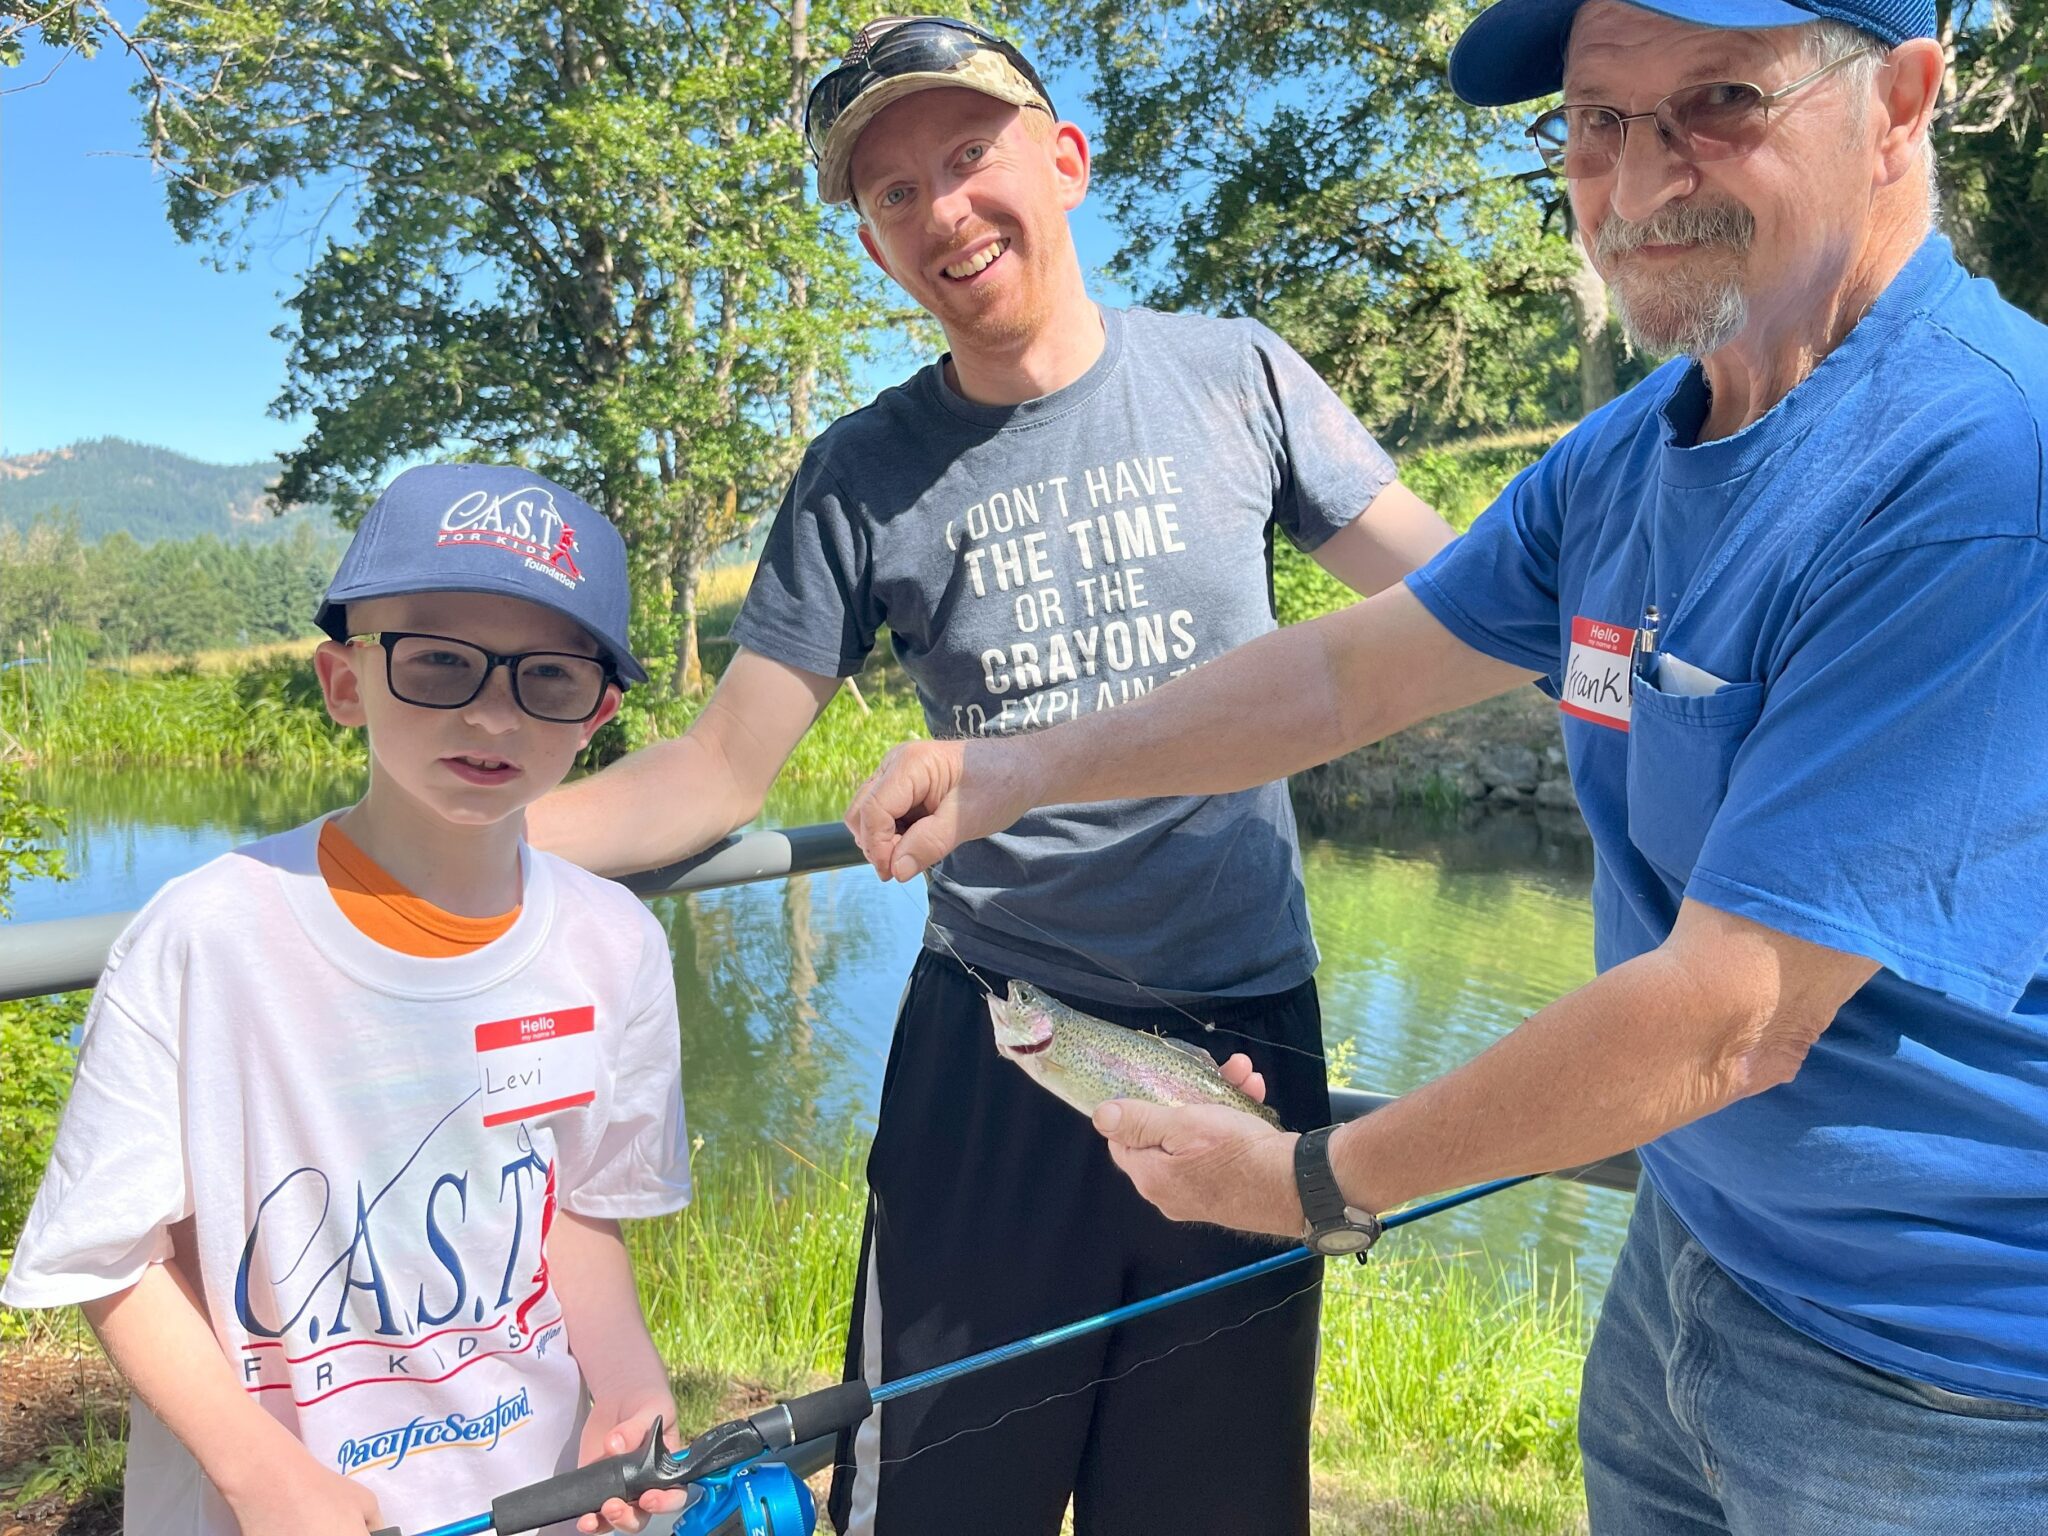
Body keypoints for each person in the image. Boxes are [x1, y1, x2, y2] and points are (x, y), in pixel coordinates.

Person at [846, 0, 2048, 1529]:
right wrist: (1021, 769)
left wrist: (1308, 1184)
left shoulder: (1981, 471)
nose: (1641, 174)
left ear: (1902, 102)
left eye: (1721, 98)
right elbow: (1350, 668)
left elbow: (1730, 1022)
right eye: (1597, 120)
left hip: (1949, 1385)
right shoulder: (1630, 456)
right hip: (1696, 1261)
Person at [527, 15, 1455, 1532]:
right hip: (1000, 1055)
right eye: (892, 194)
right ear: (876, 245)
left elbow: (1463, 601)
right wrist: (395, 858)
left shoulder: (1238, 379)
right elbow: (710, 775)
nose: (941, 209)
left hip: (1242, 1047)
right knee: (945, 1506)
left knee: (1209, 1509)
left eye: (968, 156)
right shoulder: (861, 472)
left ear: (1066, 161)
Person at [3, 466, 693, 1536]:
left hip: (529, 1497)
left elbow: (580, 1209)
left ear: (598, 712)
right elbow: (104, 1251)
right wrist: (256, 1474)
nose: (492, 712)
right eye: (435, 663)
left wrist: (629, 1379)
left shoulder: (617, 944)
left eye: (546, 678)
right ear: (343, 682)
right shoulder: (207, 936)